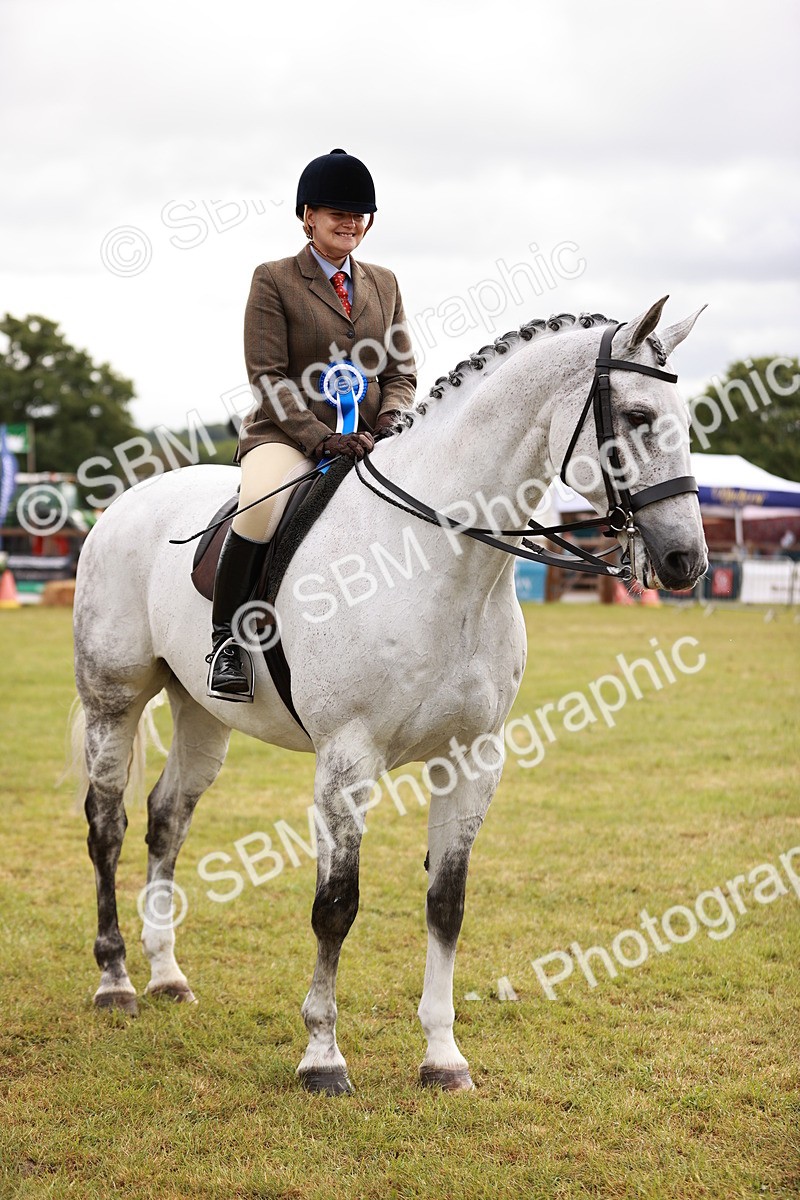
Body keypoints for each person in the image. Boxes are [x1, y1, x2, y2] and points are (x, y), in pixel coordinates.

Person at [207, 148, 417, 701]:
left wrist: (392, 419)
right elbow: (268, 376)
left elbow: (401, 370)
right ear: (308, 218)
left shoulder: (385, 282)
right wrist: (319, 437)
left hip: (371, 438)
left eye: (357, 215)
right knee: (259, 504)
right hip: (288, 434)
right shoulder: (275, 279)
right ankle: (227, 641)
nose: (349, 223)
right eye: (336, 214)